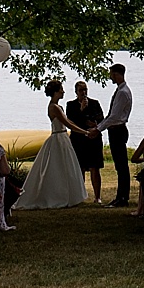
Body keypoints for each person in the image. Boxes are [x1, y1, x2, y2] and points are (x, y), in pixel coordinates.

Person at [16, 81, 87, 210]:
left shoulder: (57, 106)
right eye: (61, 90)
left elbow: (68, 121)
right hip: (58, 137)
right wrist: (85, 132)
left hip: (63, 136)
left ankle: (69, 195)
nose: (63, 92)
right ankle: (57, 196)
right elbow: (67, 123)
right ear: (55, 92)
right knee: (58, 167)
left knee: (67, 167)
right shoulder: (53, 107)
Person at [97, 63, 134, 207]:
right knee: (120, 165)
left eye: (111, 74)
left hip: (118, 130)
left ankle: (123, 197)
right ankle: (121, 195)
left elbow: (115, 116)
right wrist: (100, 125)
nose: (110, 76)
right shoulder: (120, 90)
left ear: (117, 74)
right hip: (115, 129)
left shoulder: (123, 92)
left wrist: (98, 129)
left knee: (121, 165)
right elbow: (111, 115)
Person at [65, 80, 106, 203]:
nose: (83, 93)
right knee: (80, 168)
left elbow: (101, 119)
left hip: (93, 139)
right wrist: (81, 110)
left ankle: (97, 196)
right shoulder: (71, 105)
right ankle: (80, 195)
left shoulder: (94, 103)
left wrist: (94, 124)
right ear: (76, 92)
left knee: (95, 168)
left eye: (85, 90)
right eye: (81, 90)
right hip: (79, 140)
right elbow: (71, 122)